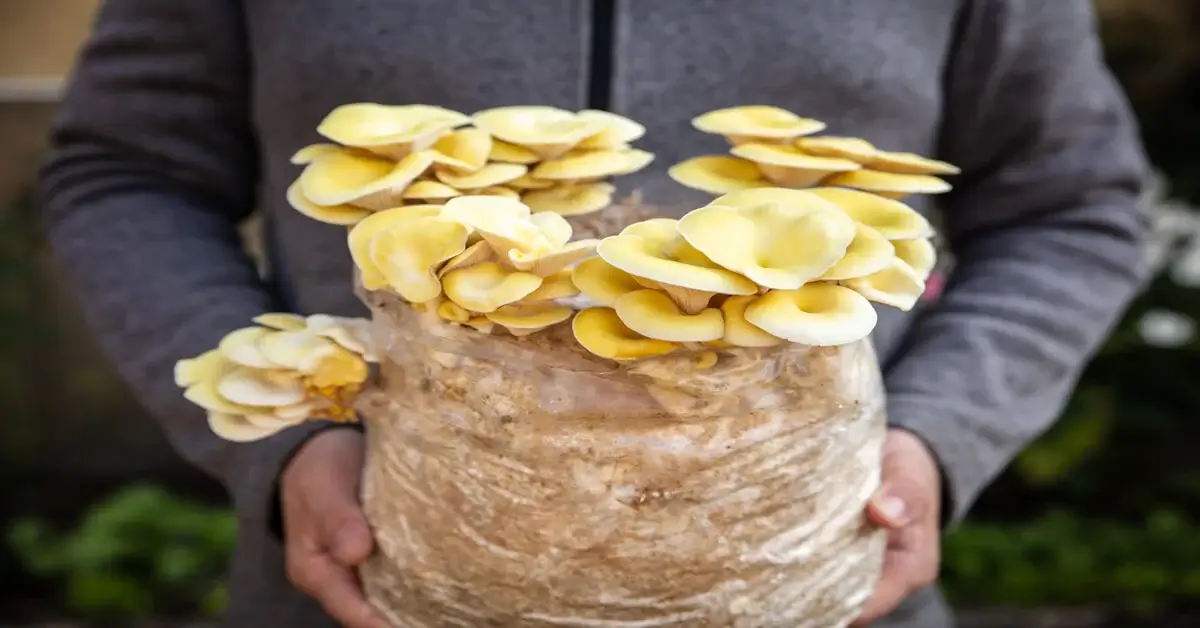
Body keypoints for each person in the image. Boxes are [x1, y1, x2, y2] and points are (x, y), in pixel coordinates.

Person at [38, 1, 1149, 627]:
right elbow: (126, 171)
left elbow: (1073, 203)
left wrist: (937, 439)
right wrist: (285, 447)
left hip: (807, 587)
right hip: (378, 578)